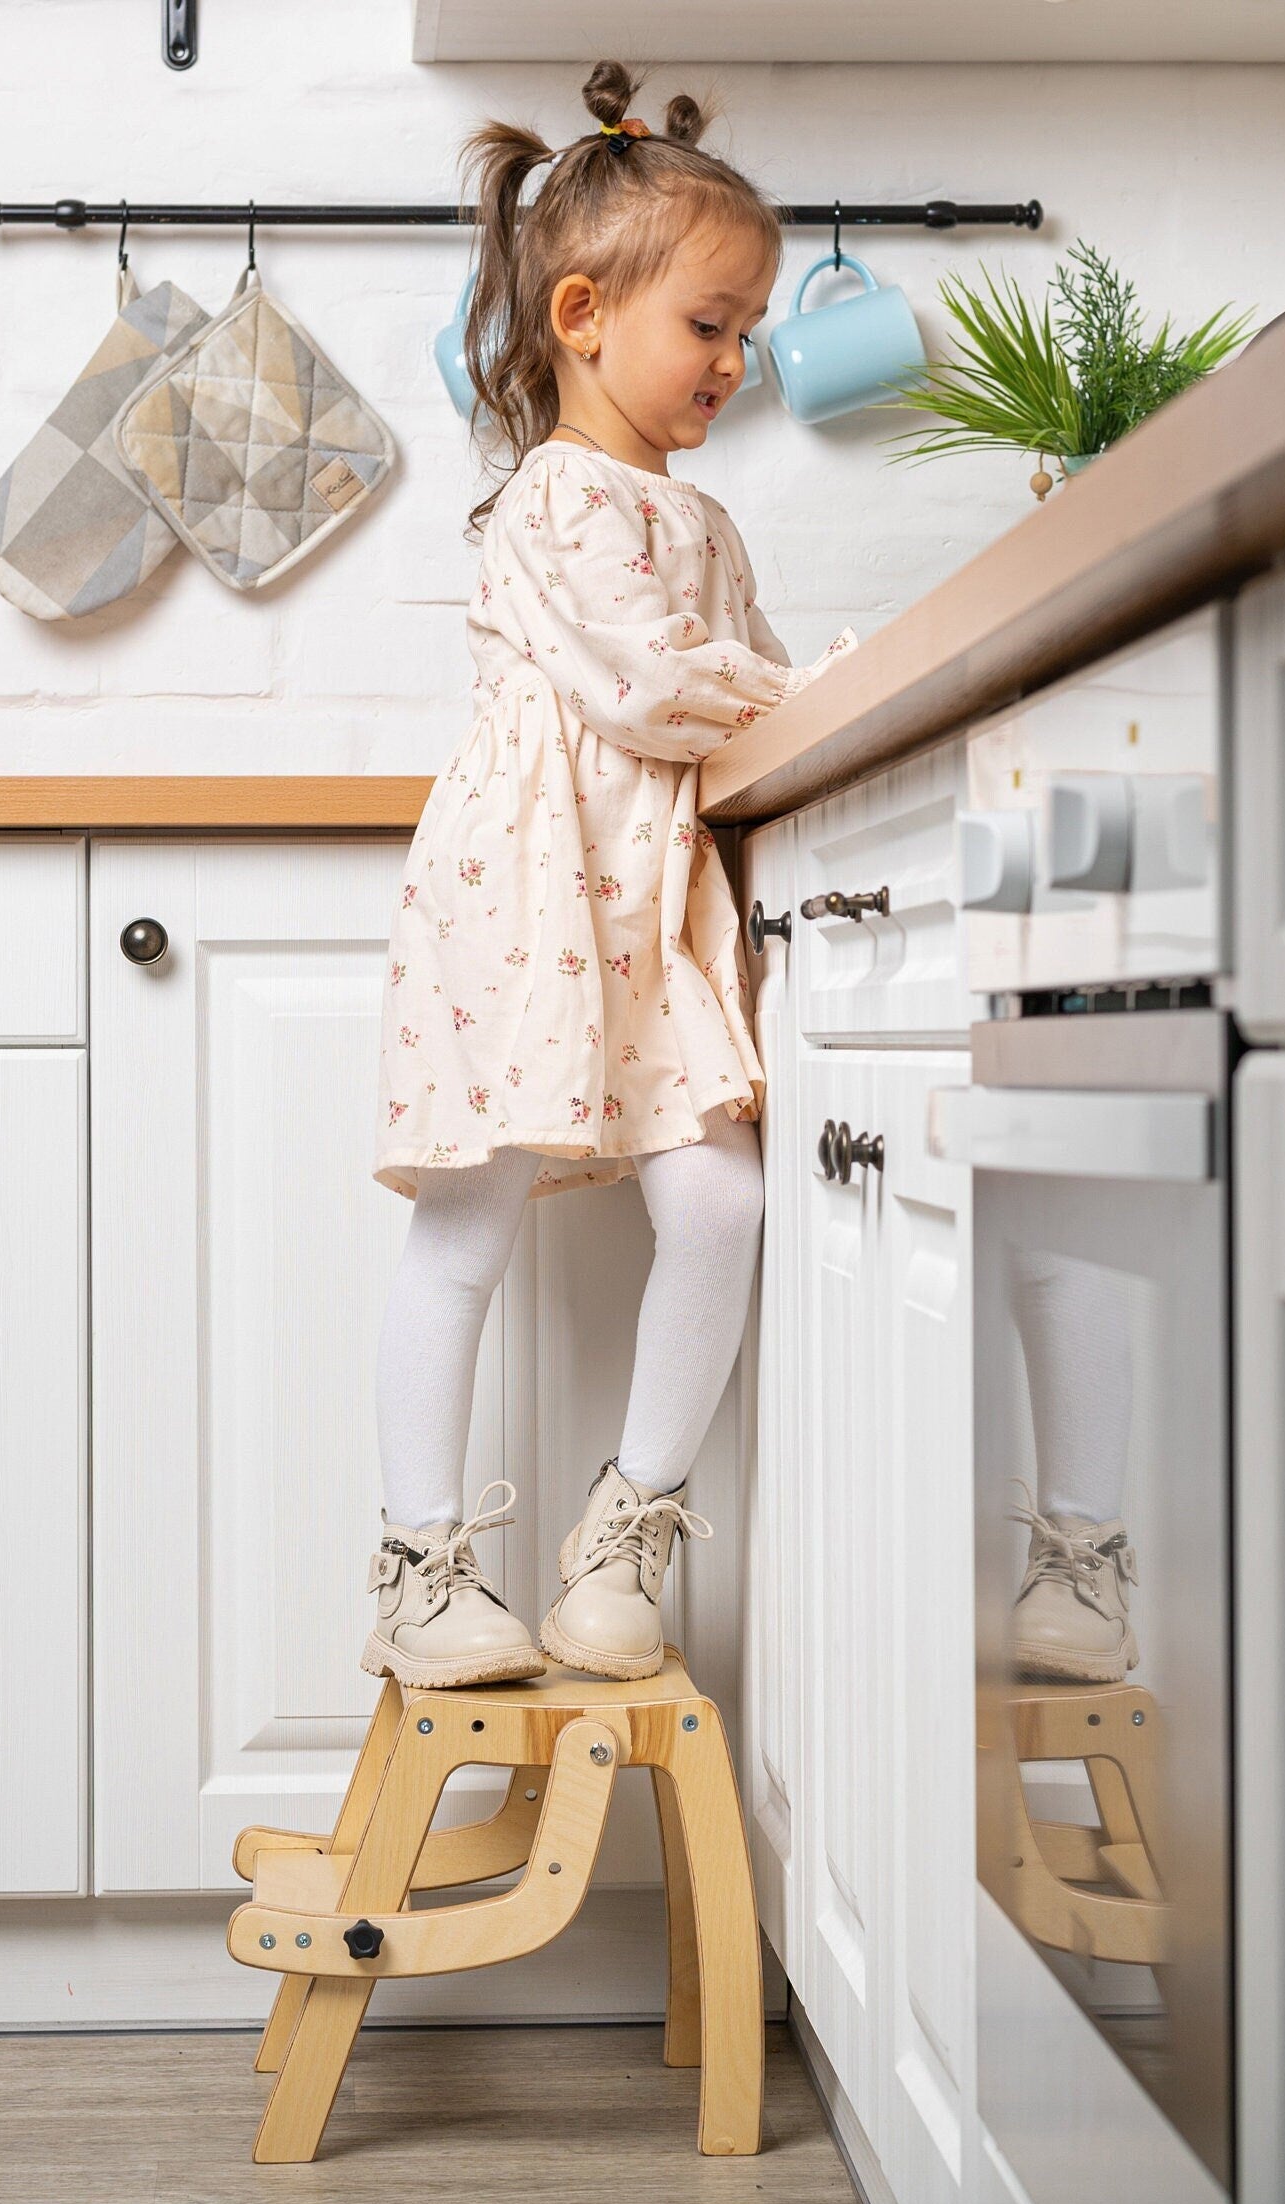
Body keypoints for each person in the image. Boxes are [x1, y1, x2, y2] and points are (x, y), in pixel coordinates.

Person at [365, 62, 853, 1688]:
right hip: (528, 899)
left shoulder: (701, 520)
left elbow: (749, 678)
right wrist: (815, 686)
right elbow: (661, 687)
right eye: (710, 324)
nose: (738, 357)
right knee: (468, 1219)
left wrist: (817, 689)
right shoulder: (553, 503)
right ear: (583, 313)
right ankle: (418, 1564)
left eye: (749, 326)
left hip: (649, 902)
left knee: (720, 1198)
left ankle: (626, 1530)